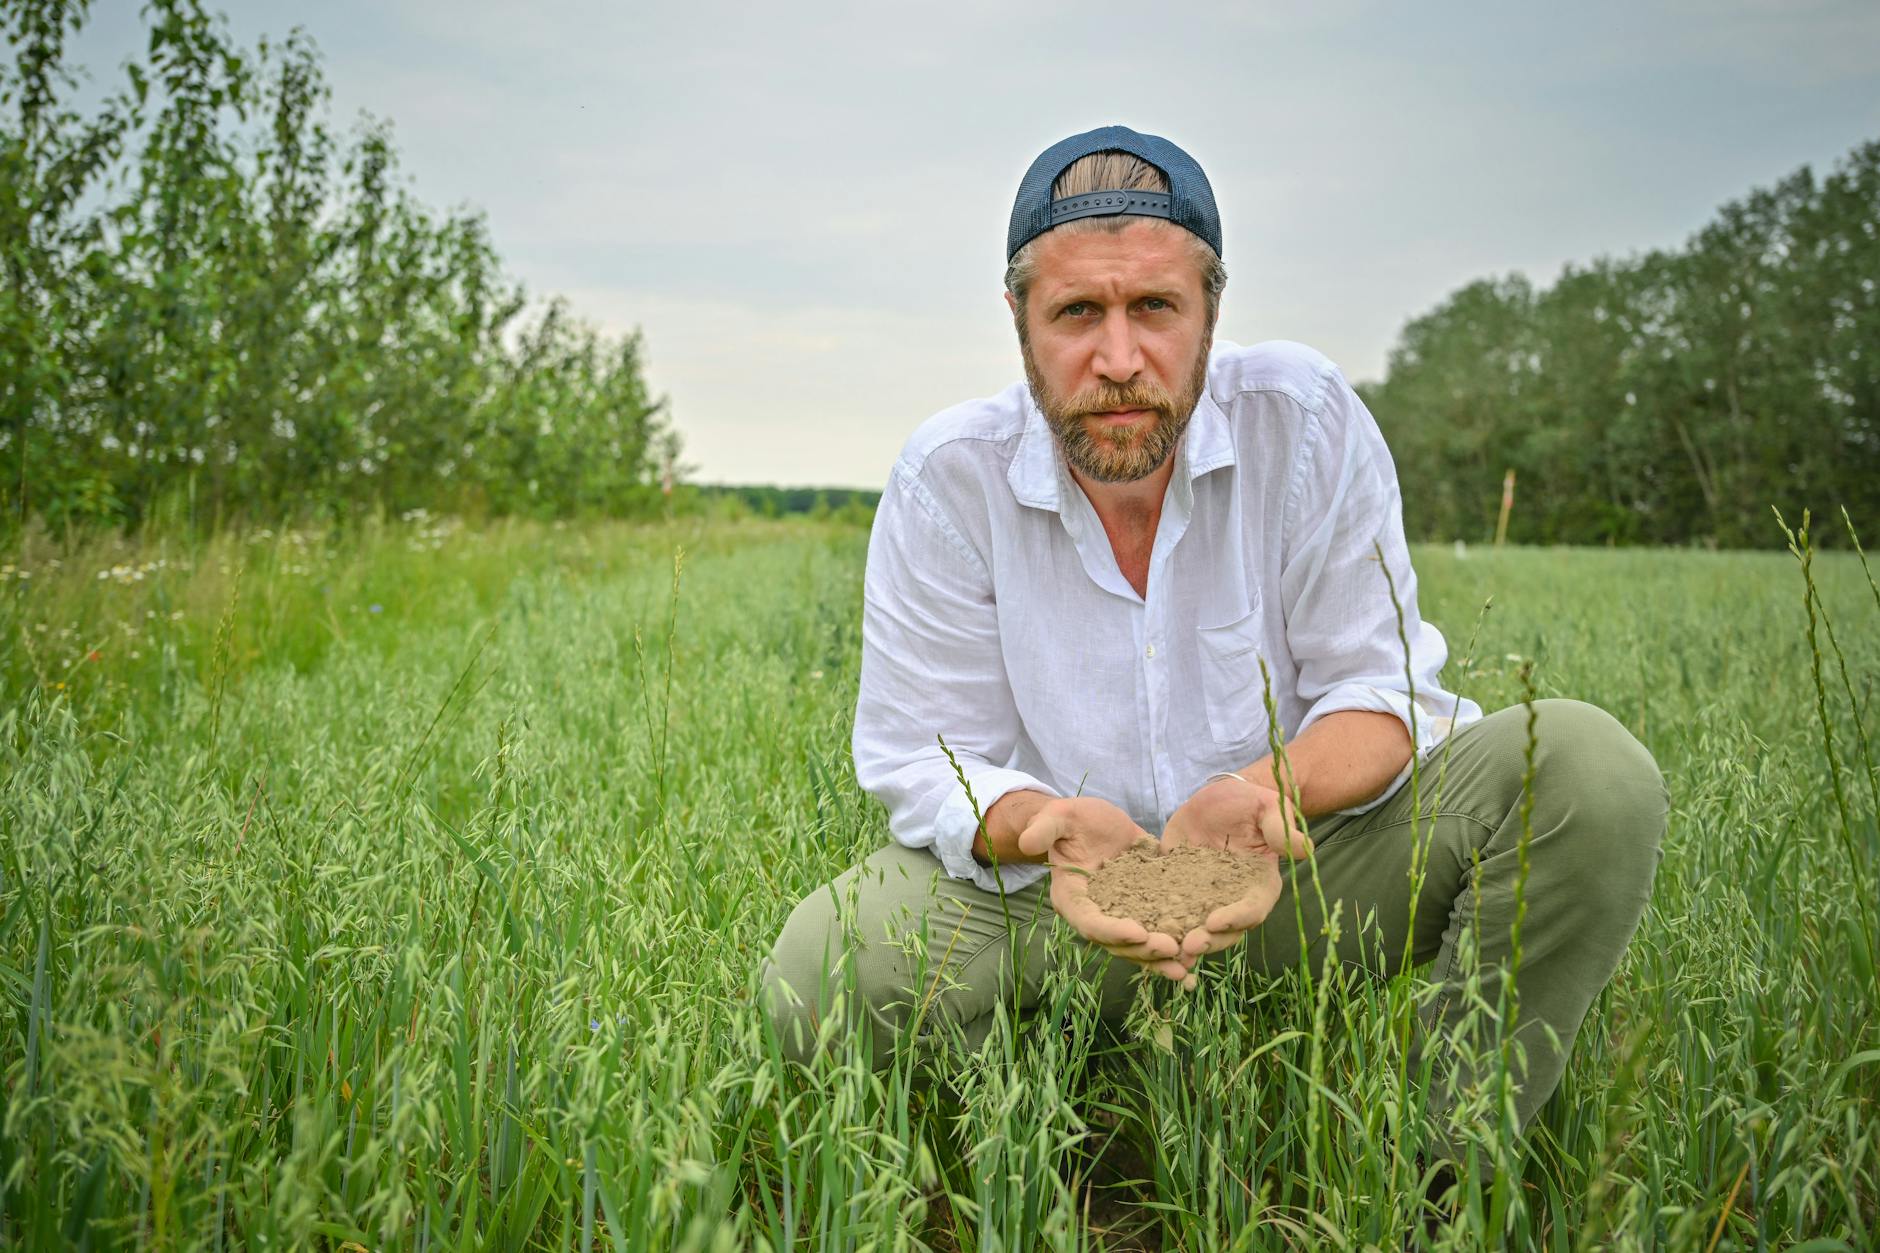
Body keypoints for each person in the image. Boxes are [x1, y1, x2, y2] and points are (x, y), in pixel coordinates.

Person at [761, 125, 1667, 1140]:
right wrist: (1040, 823)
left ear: (1209, 311)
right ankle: (1040, 1127)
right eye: (1076, 312)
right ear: (1019, 320)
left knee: (1587, 771)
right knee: (813, 977)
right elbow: (923, 755)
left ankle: (1440, 1160)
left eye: (1154, 306)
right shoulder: (948, 477)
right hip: (1050, 898)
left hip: (1294, 875)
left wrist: (1260, 797)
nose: (1118, 359)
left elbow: (1381, 691)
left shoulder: (1302, 416)